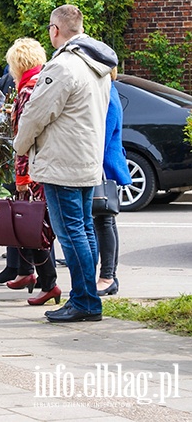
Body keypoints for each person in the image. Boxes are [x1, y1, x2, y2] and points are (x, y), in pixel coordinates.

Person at [14, 4, 117, 323]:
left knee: (72, 233)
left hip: (62, 161)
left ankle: (85, 301)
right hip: (85, 159)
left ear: (55, 30)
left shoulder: (63, 66)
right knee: (84, 230)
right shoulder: (97, 64)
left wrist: (20, 145)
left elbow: (36, 113)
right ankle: (87, 298)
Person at [0, 38, 60, 306]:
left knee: (36, 229)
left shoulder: (26, 91)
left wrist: (22, 178)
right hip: (51, 164)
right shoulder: (44, 83)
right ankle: (31, 275)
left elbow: (24, 138)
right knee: (40, 227)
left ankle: (49, 283)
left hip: (35, 170)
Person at [95, 67, 132, 296]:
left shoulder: (107, 92)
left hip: (104, 165)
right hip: (106, 162)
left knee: (104, 219)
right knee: (105, 220)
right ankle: (108, 276)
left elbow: (103, 133)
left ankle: (108, 276)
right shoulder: (108, 89)